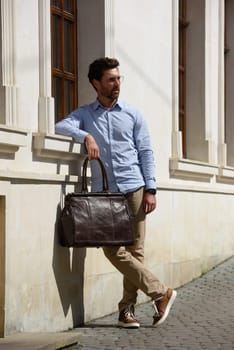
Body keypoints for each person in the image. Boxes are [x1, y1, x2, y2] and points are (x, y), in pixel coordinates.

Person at [55, 57, 177, 328]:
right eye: (111, 80)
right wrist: (85, 136)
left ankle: (126, 311)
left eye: (119, 78)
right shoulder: (86, 114)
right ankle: (160, 292)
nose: (117, 84)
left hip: (135, 187)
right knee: (112, 250)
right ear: (96, 83)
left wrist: (151, 188)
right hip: (105, 195)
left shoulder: (133, 114)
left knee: (136, 251)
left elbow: (146, 152)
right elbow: (60, 126)